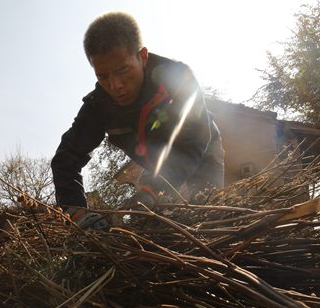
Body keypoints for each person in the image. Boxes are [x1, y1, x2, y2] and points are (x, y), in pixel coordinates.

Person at [51, 12, 224, 230]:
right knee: (154, 230)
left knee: (211, 219)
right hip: (154, 166)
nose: (115, 86)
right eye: (103, 76)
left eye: (122, 70)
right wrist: (75, 212)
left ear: (142, 56)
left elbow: (192, 142)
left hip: (203, 150)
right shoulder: (97, 106)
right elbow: (66, 159)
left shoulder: (178, 77)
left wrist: (153, 188)